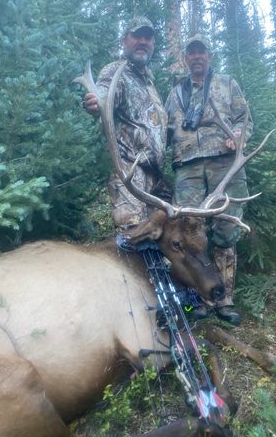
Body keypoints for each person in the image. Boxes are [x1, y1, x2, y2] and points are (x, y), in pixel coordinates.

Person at [165, 34, 253, 326]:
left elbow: (245, 118)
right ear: (186, 59)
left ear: (209, 56)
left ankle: (224, 299)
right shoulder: (176, 92)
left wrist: (239, 136)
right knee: (190, 234)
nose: (196, 57)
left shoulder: (227, 84)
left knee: (226, 229)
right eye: (191, 53)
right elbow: (161, 127)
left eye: (201, 52)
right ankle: (199, 300)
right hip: (187, 167)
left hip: (223, 162)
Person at [84, 17, 167, 232]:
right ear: (124, 41)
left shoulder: (149, 82)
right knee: (132, 238)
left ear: (153, 44)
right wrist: (96, 103)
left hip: (154, 178)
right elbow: (103, 95)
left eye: (147, 38)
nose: (143, 41)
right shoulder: (115, 72)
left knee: (156, 243)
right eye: (137, 36)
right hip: (129, 172)